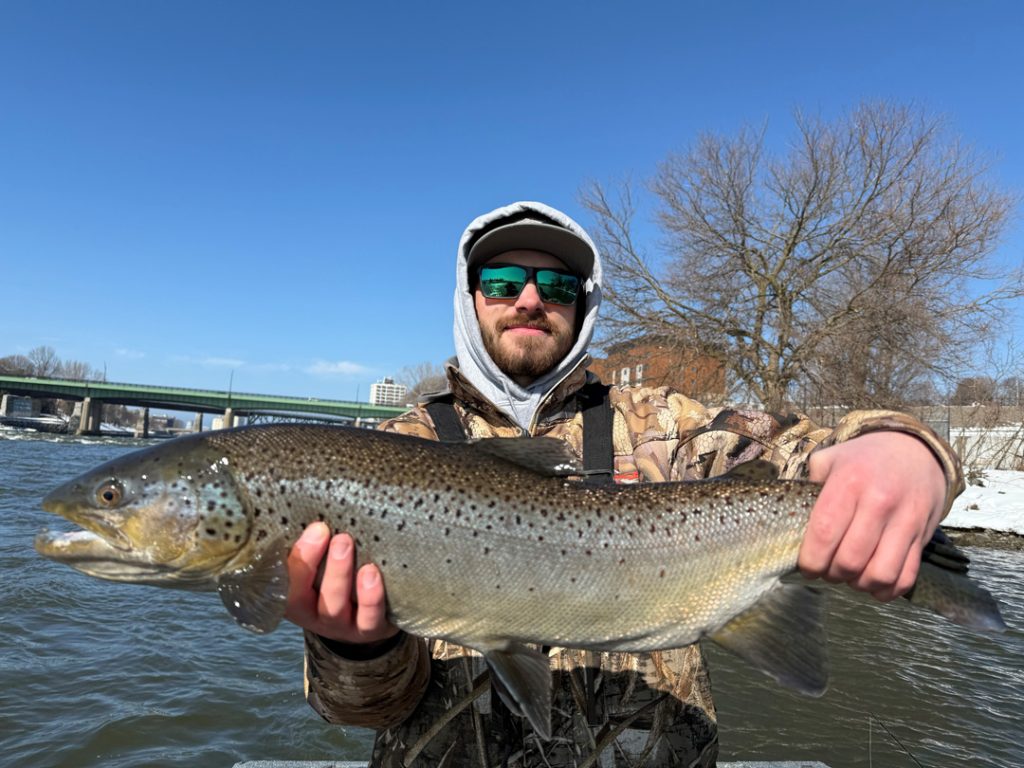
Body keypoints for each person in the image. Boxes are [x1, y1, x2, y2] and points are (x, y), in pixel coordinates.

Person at [285, 201, 962, 767]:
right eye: (503, 281)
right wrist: (358, 644)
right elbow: (359, 710)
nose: (529, 300)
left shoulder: (665, 422)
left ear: (585, 306)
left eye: (556, 288)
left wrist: (902, 448)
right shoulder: (388, 455)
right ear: (469, 299)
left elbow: (807, 450)